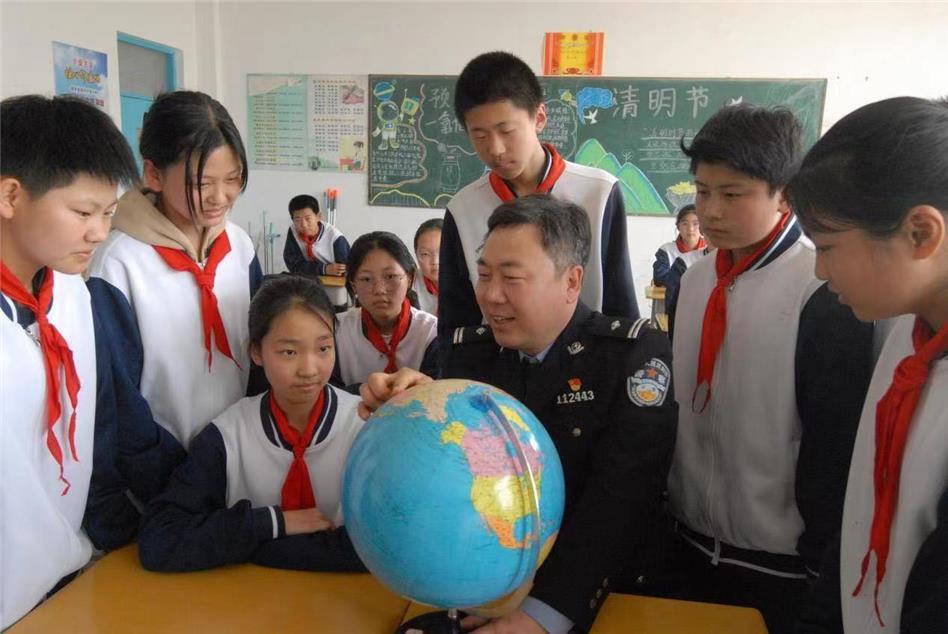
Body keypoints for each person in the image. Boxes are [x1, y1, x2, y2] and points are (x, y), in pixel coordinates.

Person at [360, 195, 677, 634]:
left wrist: (542, 616)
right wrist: (416, 407)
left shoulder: (629, 356)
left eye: (511, 278)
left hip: (589, 600)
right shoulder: (470, 353)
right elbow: (461, 466)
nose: (491, 296)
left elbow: (620, 503)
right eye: (484, 275)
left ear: (571, 281)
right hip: (479, 590)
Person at [658, 103, 875, 634]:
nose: (711, 211)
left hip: (779, 561)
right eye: (702, 192)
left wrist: (819, 560)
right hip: (686, 542)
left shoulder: (822, 290)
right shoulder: (694, 280)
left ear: (785, 193)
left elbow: (833, 443)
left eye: (733, 195)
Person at [0, 95, 182, 628]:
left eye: (108, 213)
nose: (99, 233)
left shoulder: (73, 295)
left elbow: (102, 426)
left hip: (60, 577)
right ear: (10, 195)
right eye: (82, 213)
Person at [789, 97, 948, 634]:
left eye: (828, 246)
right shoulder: (904, 334)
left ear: (920, 233)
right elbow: (861, 509)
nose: (820, 270)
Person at [139, 275, 366, 572]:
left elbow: (386, 545)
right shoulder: (228, 436)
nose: (309, 369)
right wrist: (271, 523)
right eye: (289, 352)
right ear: (256, 352)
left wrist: (257, 547)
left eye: (323, 348)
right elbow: (160, 540)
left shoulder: (363, 426)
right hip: (248, 596)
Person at [87, 91, 262, 449]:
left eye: (232, 179)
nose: (220, 197)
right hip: (159, 463)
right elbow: (118, 395)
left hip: (239, 448)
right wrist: (162, 465)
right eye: (201, 183)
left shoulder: (239, 246)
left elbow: (260, 352)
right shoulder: (118, 264)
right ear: (154, 173)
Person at [438, 51, 639, 348]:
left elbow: (618, 303)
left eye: (506, 131)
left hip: (587, 363)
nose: (495, 149)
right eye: (479, 135)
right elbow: (456, 321)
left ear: (540, 118)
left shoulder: (598, 193)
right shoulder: (463, 208)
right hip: (497, 366)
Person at [333, 231, 438, 388]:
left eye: (390, 277)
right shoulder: (336, 331)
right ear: (354, 285)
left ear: (410, 279)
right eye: (366, 279)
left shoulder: (432, 333)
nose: (379, 290)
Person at [283, 193, 350, 278]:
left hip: (333, 282)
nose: (303, 225)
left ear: (318, 216)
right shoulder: (293, 231)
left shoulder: (335, 237)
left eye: (308, 218)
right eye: (297, 220)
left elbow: (345, 270)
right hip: (307, 280)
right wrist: (324, 269)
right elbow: (294, 265)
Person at [652, 204, 707, 287]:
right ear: (678, 226)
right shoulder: (666, 251)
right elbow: (660, 279)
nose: (690, 229)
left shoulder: (711, 250)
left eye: (695, 224)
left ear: (702, 226)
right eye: (685, 224)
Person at [412, 217, 442, 315]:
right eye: (425, 254)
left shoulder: (472, 282)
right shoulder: (409, 284)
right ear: (416, 255)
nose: (435, 262)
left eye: (442, 252)